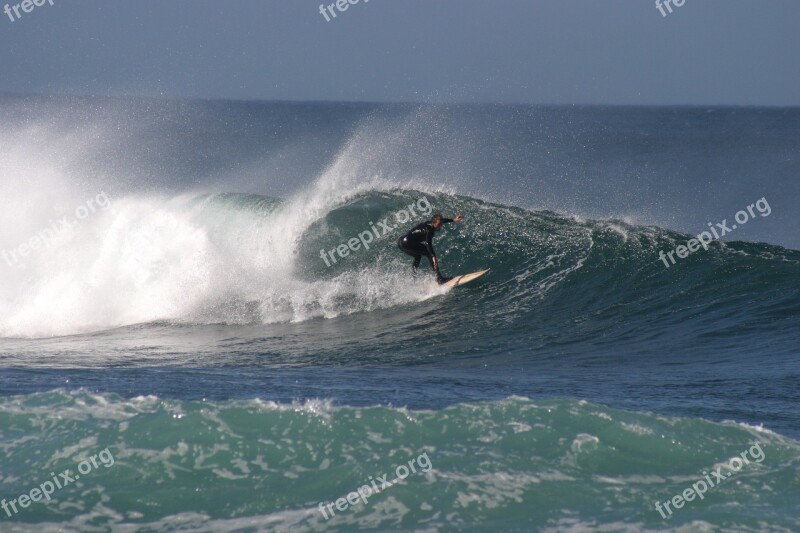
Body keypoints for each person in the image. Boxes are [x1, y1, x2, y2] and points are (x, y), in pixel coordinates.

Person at [397, 213, 464, 284]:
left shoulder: (430, 223)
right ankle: (439, 279)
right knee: (428, 253)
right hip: (407, 243)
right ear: (434, 223)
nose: (440, 227)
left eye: (440, 225)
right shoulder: (430, 231)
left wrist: (453, 220)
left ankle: (413, 276)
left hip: (401, 242)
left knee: (418, 256)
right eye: (438, 225)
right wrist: (433, 256)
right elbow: (428, 244)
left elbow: (442, 220)